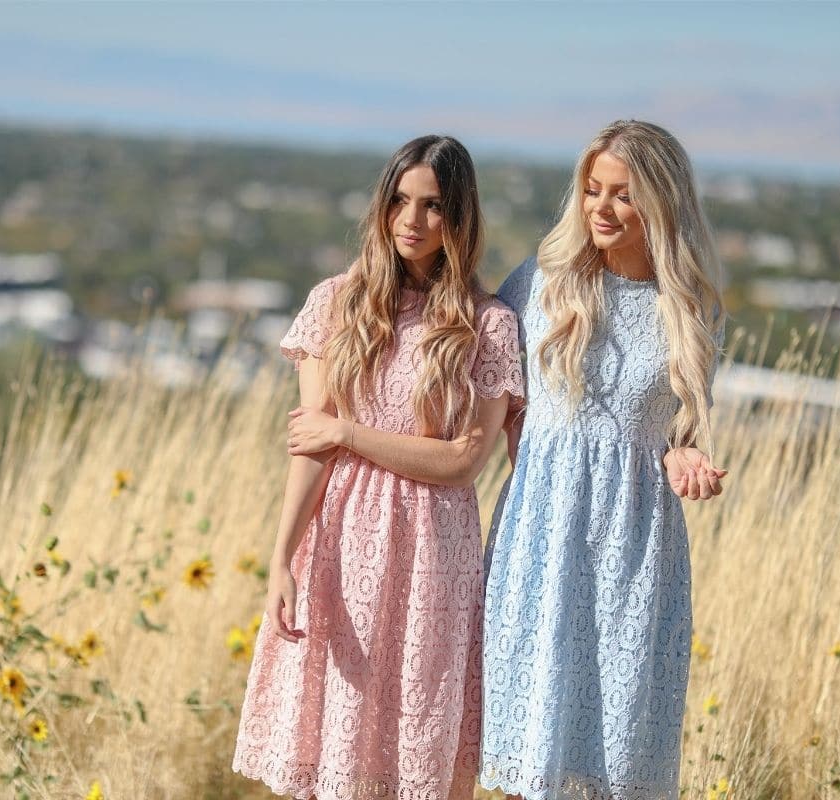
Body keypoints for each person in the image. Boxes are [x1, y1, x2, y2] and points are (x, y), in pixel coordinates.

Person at [232, 135, 524, 800]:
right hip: (340, 546)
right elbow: (312, 448)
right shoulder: (337, 302)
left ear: (461, 218)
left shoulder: (489, 324)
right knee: (340, 737)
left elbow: (461, 462)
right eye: (399, 200)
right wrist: (282, 557)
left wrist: (347, 432)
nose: (411, 221)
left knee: (419, 744)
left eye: (433, 207)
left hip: (433, 557)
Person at [480, 119, 727, 800]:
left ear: (661, 202)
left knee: (614, 753)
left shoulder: (690, 306)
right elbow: (488, 387)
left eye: (623, 194)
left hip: (635, 547)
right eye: (593, 190)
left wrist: (685, 459)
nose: (602, 207)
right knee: (533, 742)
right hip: (541, 535)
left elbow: (679, 432)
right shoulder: (540, 282)